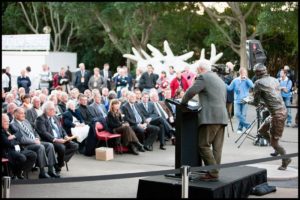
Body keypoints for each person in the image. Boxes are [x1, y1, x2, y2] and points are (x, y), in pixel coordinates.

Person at [181, 60, 228, 182]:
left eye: (197, 70)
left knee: (203, 145)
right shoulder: (219, 79)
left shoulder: (203, 77)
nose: (196, 72)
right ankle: (214, 172)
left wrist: (182, 103)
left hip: (210, 117)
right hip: (222, 117)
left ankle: (213, 172)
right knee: (217, 147)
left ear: (201, 69)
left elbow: (191, 92)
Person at [250, 63, 291, 170]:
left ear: (257, 73)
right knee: (262, 130)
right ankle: (276, 148)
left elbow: (255, 102)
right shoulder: (274, 79)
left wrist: (247, 101)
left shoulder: (258, 83)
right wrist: (264, 103)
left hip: (278, 115)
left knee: (274, 141)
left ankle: (286, 159)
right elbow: (272, 96)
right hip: (277, 112)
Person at [11, 107, 60, 178]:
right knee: (40, 147)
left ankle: (51, 170)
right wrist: (34, 141)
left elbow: (34, 131)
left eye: (24, 113)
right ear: (15, 114)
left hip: (35, 141)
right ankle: (42, 172)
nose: (24, 115)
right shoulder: (13, 124)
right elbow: (21, 139)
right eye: (21, 113)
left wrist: (37, 138)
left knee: (50, 145)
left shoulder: (26, 121)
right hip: (25, 146)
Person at [35, 101, 79, 173]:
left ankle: (58, 163)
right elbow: (43, 133)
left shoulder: (56, 117)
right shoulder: (40, 119)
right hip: (50, 140)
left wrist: (65, 136)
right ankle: (59, 164)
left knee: (75, 145)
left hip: (60, 138)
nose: (54, 110)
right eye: (52, 109)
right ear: (46, 110)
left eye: (54, 108)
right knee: (61, 147)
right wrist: (55, 139)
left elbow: (61, 128)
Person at [1, 113, 37, 179]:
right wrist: (15, 140)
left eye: (8, 121)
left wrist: (14, 136)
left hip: (17, 149)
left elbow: (20, 133)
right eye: (5, 121)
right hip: (8, 152)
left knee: (33, 154)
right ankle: (16, 173)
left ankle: (20, 172)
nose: (8, 123)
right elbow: (8, 143)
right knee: (22, 158)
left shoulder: (10, 127)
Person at [226, 67, 254, 134]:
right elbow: (229, 88)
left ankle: (240, 128)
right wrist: (223, 84)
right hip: (237, 100)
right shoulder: (235, 80)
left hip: (245, 100)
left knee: (243, 115)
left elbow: (252, 86)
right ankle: (248, 126)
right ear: (240, 73)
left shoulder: (247, 80)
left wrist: (246, 79)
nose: (244, 74)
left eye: (245, 73)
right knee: (237, 114)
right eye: (243, 73)